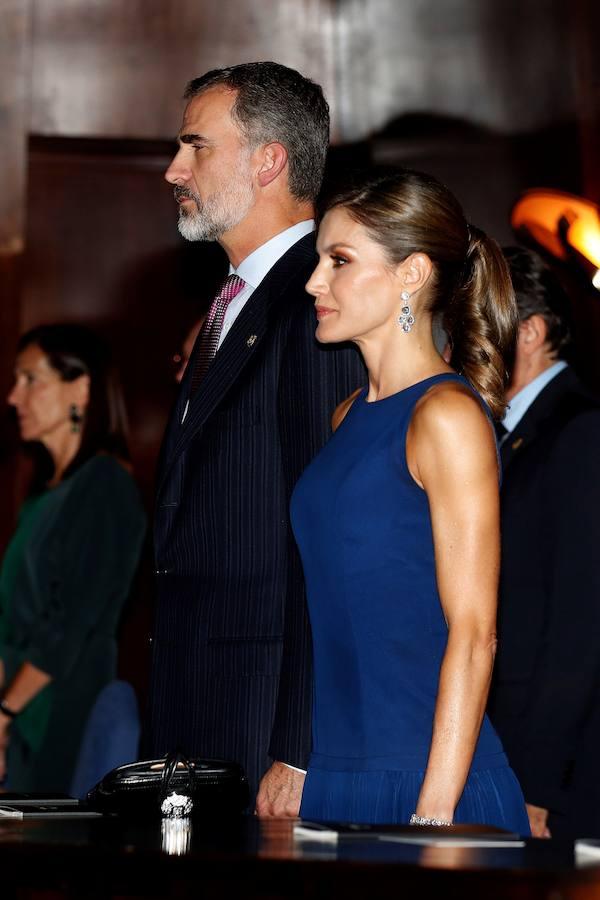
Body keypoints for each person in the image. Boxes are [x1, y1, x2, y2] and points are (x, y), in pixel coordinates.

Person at [148, 62, 364, 812]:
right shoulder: (232, 300)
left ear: (268, 160)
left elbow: (326, 541)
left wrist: (299, 748)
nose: (174, 168)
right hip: (195, 704)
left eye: (196, 147)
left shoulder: (318, 300)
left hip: (260, 715)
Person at [292, 168, 530, 831]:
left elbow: (475, 633)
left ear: (412, 273)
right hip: (336, 780)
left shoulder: (446, 416)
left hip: (428, 787)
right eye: (319, 260)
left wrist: (432, 816)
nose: (315, 281)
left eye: (339, 261)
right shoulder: (347, 416)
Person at [0, 324, 146, 792]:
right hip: (21, 709)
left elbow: (69, 622)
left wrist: (4, 712)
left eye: (30, 379)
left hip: (61, 707)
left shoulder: (105, 485)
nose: (13, 397)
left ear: (80, 387)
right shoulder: (44, 495)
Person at [487, 247, 600, 839]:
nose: (464, 341)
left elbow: (579, 629)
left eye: (481, 322)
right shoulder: (509, 434)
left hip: (555, 776)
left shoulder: (581, 431)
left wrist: (535, 781)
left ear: (528, 332)